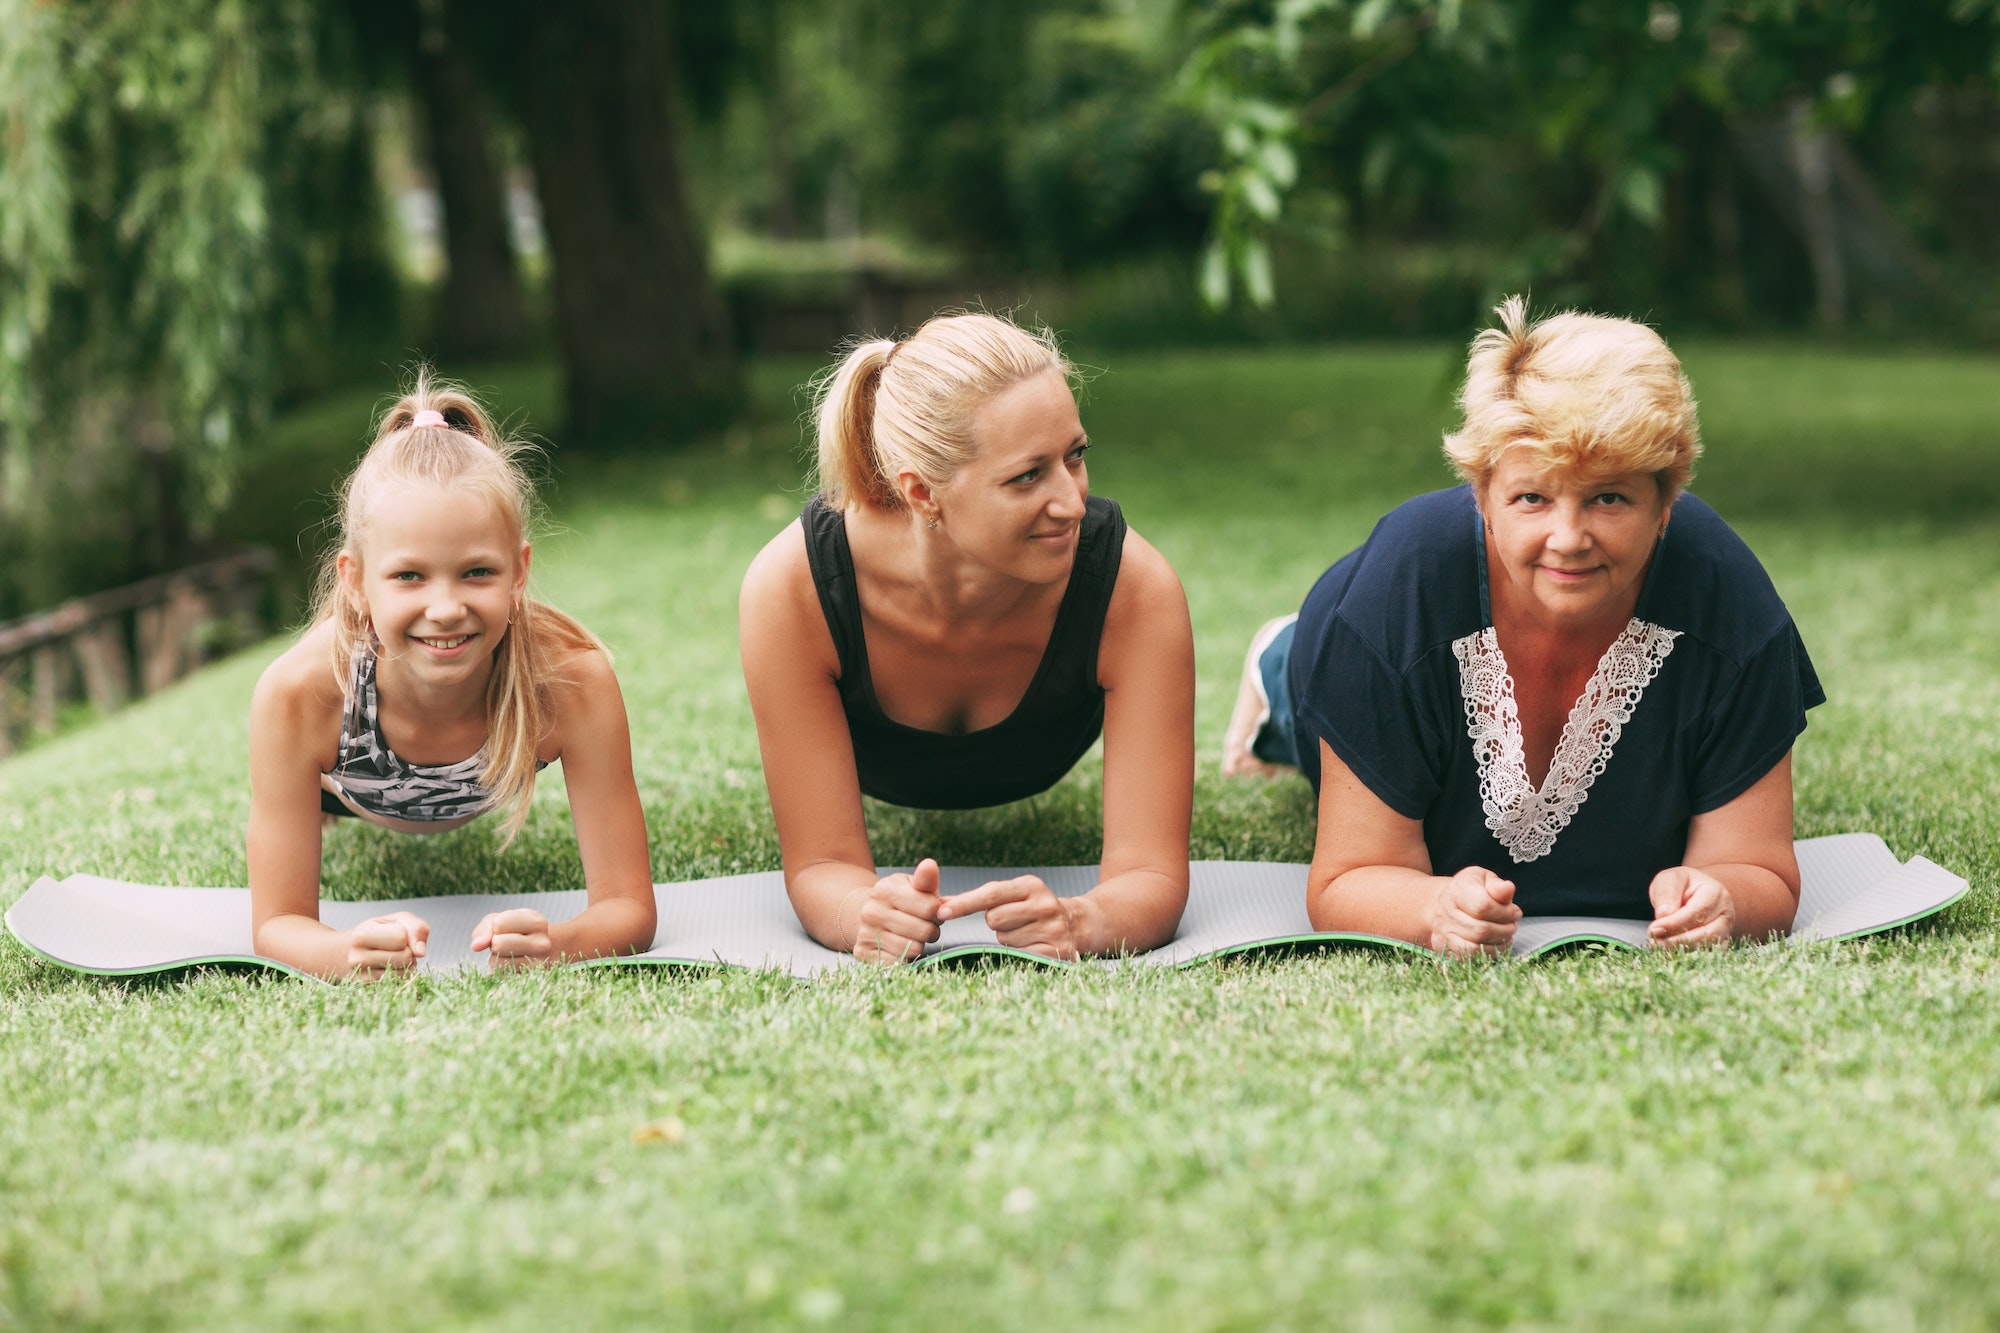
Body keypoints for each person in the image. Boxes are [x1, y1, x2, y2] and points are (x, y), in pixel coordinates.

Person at [1222, 297, 1823, 955]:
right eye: (1532, 497)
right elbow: (1347, 877)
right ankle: (1275, 658)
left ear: (1665, 502)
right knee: (1301, 692)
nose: (1569, 538)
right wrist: (1430, 906)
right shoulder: (1392, 603)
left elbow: (1762, 871)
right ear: (1481, 494)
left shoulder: (1732, 607)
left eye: (1609, 497)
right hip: (1345, 651)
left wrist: (1724, 900)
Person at [740, 312, 1193, 963]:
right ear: (922, 492)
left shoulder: (1133, 589)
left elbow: (1151, 875)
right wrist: (860, 911)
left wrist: (1086, 918)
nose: (1071, 501)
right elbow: (823, 864)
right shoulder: (794, 590)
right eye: (1027, 476)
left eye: (1075, 456)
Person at [248, 376, 655, 977]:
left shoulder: (569, 684)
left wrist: (559, 944)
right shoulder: (299, 697)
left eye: (477, 573)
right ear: (356, 583)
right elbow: (276, 924)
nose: (445, 608)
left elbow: (628, 908)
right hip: (347, 791)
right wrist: (342, 952)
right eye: (409, 576)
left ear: (519, 572)